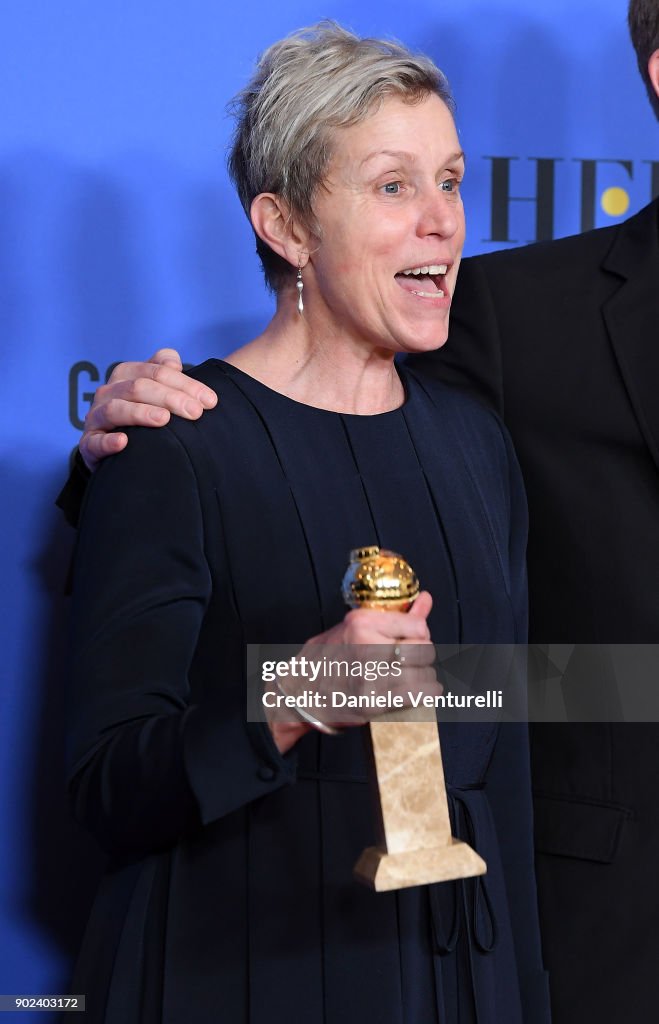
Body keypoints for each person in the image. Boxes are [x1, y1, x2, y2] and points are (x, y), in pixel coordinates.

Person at [63, 3, 659, 1021]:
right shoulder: (182, 439)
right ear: (284, 223)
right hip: (247, 961)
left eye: (451, 181)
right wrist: (293, 690)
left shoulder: (469, 446)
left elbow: (494, 716)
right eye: (393, 185)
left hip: (453, 962)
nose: (442, 220)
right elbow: (110, 781)